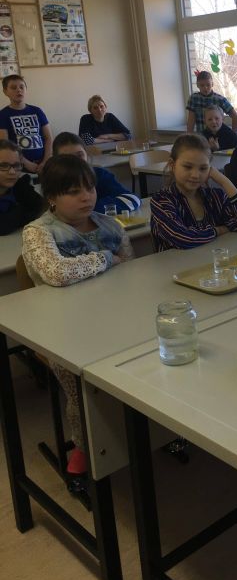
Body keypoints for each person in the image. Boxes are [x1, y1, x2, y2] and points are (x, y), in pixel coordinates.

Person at [22, 154, 134, 475]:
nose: (87, 197)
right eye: (73, 192)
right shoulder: (38, 232)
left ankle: (141, 427)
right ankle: (84, 443)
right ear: (51, 197)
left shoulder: (109, 224)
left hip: (112, 317)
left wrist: (116, 263)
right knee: (80, 382)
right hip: (63, 329)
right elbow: (57, 272)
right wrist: (106, 259)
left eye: (90, 188)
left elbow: (131, 268)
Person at [150, 134, 237, 252]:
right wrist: (218, 230)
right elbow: (182, 238)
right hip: (174, 263)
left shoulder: (215, 197)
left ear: (210, 169)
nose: (196, 175)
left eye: (203, 168)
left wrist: (225, 182)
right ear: (172, 165)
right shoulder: (162, 200)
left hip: (210, 260)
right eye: (188, 167)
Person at [53, 132, 141, 214]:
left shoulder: (99, 174)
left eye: (79, 155)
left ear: (86, 155)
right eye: (66, 158)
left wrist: (90, 210)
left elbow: (132, 198)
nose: (75, 162)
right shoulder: (54, 181)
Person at [0, 74, 53, 174]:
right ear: (5, 92)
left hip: (44, 165)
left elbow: (48, 138)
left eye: (21, 87)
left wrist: (46, 161)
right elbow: (5, 145)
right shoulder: (3, 115)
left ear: (26, 89)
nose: (19, 90)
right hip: (19, 167)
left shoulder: (37, 111)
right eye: (13, 88)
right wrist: (26, 163)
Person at [0, 139, 44, 235]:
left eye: (16, 165)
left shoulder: (20, 186)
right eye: (3, 165)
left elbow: (43, 207)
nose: (12, 172)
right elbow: (3, 226)